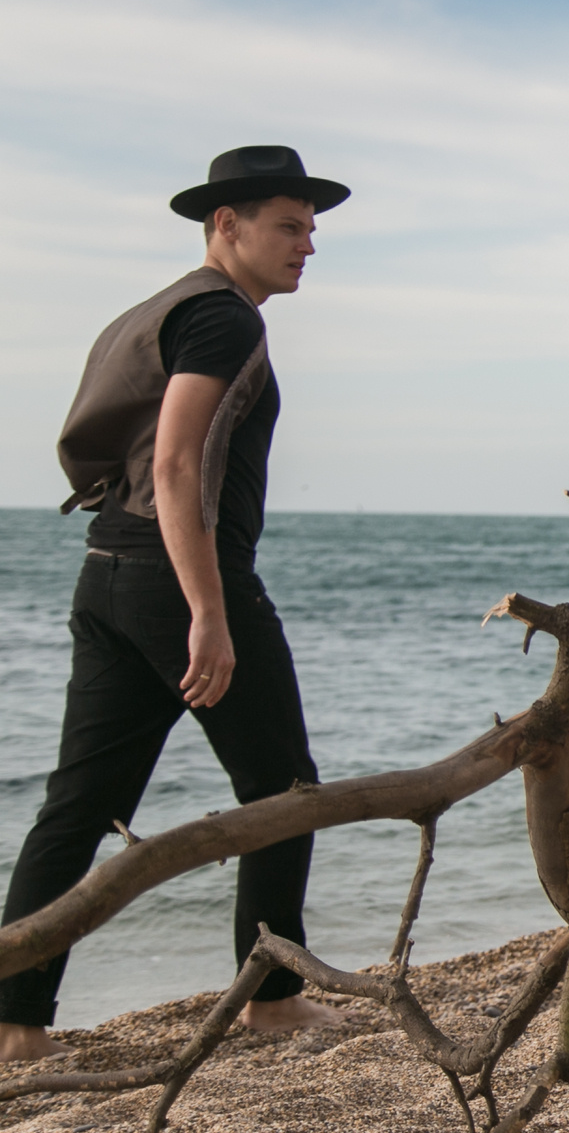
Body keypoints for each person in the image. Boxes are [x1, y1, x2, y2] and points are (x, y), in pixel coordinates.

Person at [0, 147, 352, 1060]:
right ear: (225, 224)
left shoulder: (155, 310)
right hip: (177, 573)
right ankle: (270, 1000)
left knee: (78, 805)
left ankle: (14, 1024)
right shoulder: (222, 321)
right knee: (285, 790)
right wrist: (207, 608)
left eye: (312, 229)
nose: (306, 244)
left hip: (108, 570)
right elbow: (176, 463)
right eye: (288, 225)